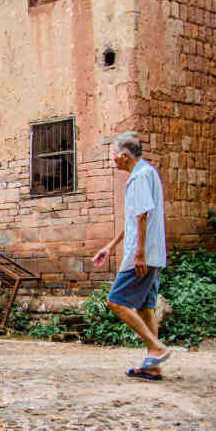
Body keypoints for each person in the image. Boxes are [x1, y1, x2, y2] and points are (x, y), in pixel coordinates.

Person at [92, 131, 172, 380]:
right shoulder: (148, 173)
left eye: (114, 155)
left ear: (124, 156)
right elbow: (134, 219)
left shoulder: (139, 177)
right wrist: (110, 245)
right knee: (146, 307)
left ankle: (157, 349)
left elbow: (142, 216)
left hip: (143, 255)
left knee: (116, 301)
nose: (112, 160)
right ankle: (153, 365)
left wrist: (139, 253)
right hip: (153, 253)